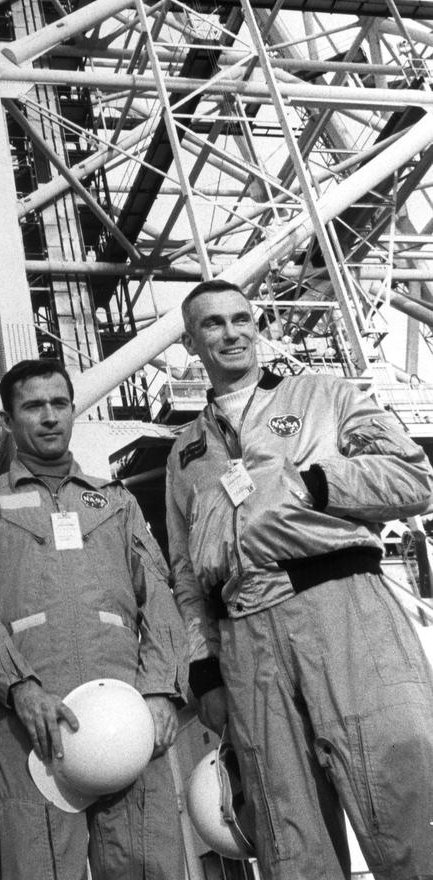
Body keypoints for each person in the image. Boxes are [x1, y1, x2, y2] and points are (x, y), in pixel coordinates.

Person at [166, 278, 433, 880]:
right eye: (213, 324)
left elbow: (413, 478)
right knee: (287, 826)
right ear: (190, 341)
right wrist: (204, 669)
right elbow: (185, 576)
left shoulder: (326, 395)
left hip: (342, 610)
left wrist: (313, 483)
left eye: (241, 319)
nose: (232, 333)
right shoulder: (186, 451)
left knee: (398, 788)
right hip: (244, 638)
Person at [0, 358, 189, 880]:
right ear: (7, 420)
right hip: (33, 722)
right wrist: (21, 688)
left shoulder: (116, 502)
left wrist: (160, 690)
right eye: (34, 406)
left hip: (129, 714)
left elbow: (161, 599)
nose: (51, 416)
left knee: (149, 865)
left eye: (60, 403)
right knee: (39, 867)